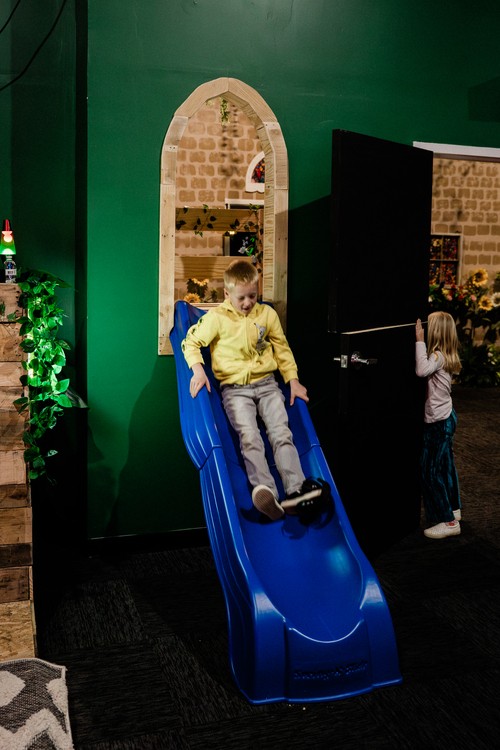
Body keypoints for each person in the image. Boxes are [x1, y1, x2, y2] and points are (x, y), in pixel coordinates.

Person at [181, 258, 324, 520]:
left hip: (267, 384)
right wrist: (198, 369)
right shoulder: (217, 318)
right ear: (227, 294)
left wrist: (292, 379)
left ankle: (295, 491)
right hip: (235, 390)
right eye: (241, 298)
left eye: (252, 296)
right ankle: (265, 491)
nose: (248, 303)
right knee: (249, 437)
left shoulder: (266, 314)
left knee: (281, 432)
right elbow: (190, 342)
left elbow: (281, 348)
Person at [415, 312, 462, 539]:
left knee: (430, 471)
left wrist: (419, 341)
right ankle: (454, 508)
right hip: (447, 417)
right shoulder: (447, 354)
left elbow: (421, 370)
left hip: (438, 423)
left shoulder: (437, 356)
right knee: (445, 466)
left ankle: (448, 521)